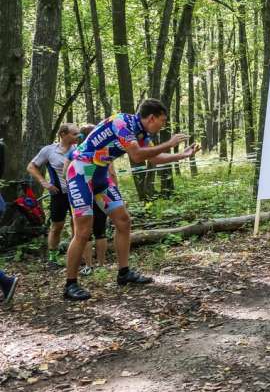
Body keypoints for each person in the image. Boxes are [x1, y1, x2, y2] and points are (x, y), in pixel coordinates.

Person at [62, 99, 200, 301]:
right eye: (162, 120)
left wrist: (180, 155)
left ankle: (124, 273)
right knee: (83, 231)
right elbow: (136, 155)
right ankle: (70, 284)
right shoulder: (121, 122)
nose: (163, 125)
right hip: (81, 172)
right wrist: (169, 143)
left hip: (100, 174)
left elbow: (152, 158)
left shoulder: (142, 132)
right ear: (151, 117)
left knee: (123, 220)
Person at [64, 124, 117, 275]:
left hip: (81, 194)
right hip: (100, 193)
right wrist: (115, 192)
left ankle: (89, 266)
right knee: (100, 231)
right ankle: (101, 265)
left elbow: (66, 173)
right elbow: (112, 173)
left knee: (83, 232)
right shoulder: (103, 150)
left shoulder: (75, 152)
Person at [26, 123, 80, 264]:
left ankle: (75, 257)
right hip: (58, 194)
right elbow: (31, 167)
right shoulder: (49, 150)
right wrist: (44, 182)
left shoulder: (79, 149)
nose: (78, 136)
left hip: (77, 193)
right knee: (57, 226)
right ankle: (53, 258)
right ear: (63, 134)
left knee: (78, 225)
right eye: (74, 134)